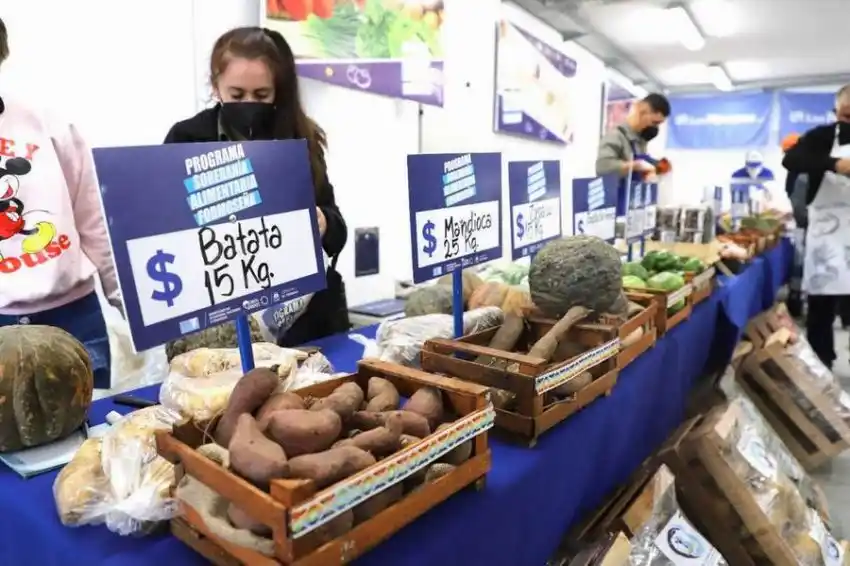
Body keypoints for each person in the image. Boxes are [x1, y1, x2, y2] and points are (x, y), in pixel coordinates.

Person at [164, 27, 349, 347]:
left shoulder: (300, 137)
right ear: (215, 86)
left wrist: (323, 222)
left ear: (278, 90)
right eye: (237, 95)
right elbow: (166, 229)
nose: (249, 104)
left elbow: (338, 229)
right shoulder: (186, 140)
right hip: (221, 325)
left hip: (308, 320)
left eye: (262, 95)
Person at [0, 17, 120, 388]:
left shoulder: (47, 123)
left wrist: (130, 304)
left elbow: (94, 222)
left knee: (89, 422)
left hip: (72, 316)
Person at [782, 84, 850, 367]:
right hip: (826, 232)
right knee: (821, 305)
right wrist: (834, 164)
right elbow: (791, 159)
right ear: (836, 111)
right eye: (846, 115)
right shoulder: (821, 136)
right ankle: (821, 364)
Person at [595, 93, 671, 178]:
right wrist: (634, 166)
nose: (655, 128)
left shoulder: (640, 141)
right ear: (641, 109)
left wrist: (656, 167)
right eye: (654, 122)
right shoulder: (616, 136)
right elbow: (602, 168)